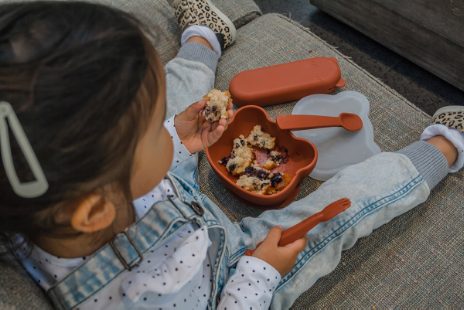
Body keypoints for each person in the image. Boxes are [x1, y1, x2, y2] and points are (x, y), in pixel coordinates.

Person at [1, 1, 463, 309]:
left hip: (156, 198)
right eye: (150, 136)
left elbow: (134, 161)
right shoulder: (142, 299)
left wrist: (174, 139)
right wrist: (261, 274)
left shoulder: (44, 191)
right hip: (230, 271)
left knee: (179, 107)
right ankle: (443, 148)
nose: (164, 128)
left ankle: (204, 38)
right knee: (337, 216)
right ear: (93, 208)